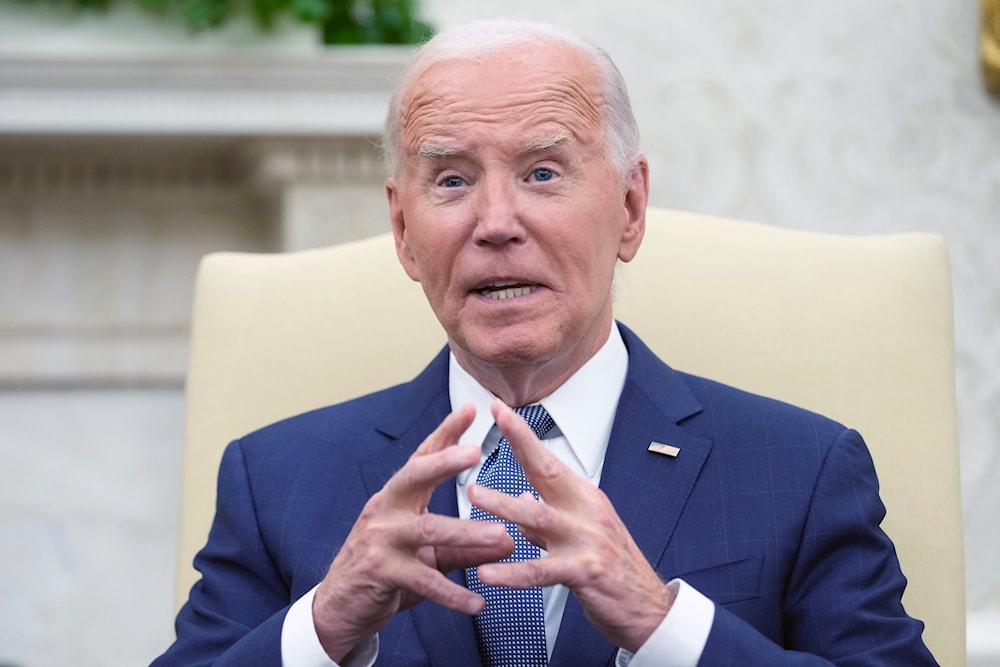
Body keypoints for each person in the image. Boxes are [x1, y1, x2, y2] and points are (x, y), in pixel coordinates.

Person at [153, 19, 937, 667]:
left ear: (630, 208)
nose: (496, 222)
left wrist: (663, 622)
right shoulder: (276, 478)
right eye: (453, 180)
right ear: (402, 229)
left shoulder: (800, 469)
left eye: (542, 172)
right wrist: (324, 623)